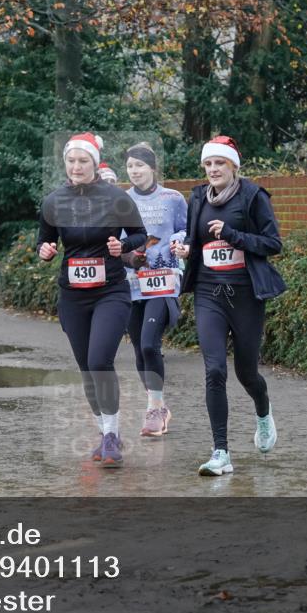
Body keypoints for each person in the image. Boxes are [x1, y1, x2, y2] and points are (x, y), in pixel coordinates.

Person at [172, 135, 285, 476]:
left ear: (233, 165)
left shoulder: (252, 196)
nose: (213, 170)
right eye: (208, 164)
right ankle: (220, 452)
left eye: (219, 163)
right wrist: (186, 249)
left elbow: (272, 243)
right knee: (215, 370)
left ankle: (263, 413)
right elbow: (197, 240)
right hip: (209, 294)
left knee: (246, 372)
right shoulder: (197, 198)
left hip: (246, 295)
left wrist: (234, 235)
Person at [38, 132, 147, 467]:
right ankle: (104, 433)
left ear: (95, 163)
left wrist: (123, 247)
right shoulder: (54, 201)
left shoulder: (117, 198)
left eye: (82, 161)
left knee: (100, 361)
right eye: (71, 160)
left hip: (110, 291)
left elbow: (140, 234)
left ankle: (112, 435)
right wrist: (45, 250)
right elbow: (45, 241)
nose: (76, 166)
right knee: (87, 369)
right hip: (73, 295)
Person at [121, 142, 188, 437]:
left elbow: (186, 229)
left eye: (140, 165)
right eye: (130, 166)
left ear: (152, 168)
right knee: (139, 348)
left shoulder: (173, 198)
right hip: (133, 283)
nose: (134, 171)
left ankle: (154, 408)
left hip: (164, 281)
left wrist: (180, 243)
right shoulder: (121, 200)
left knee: (150, 343)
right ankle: (159, 407)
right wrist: (129, 256)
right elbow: (117, 242)